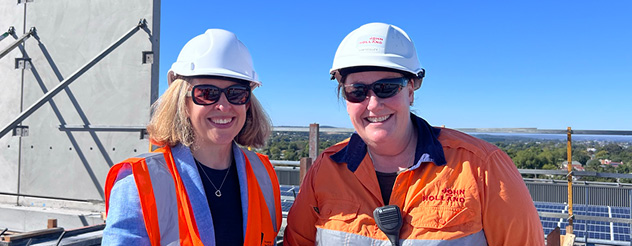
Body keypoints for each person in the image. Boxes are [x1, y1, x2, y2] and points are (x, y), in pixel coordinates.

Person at [283, 22, 544, 245]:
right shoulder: (325, 171)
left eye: (386, 87)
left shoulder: (482, 168)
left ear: (410, 90)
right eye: (357, 90)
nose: (373, 103)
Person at [102, 29, 282, 246]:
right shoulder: (141, 182)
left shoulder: (263, 173)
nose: (224, 106)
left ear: (247, 102)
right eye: (206, 93)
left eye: (236, 93)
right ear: (183, 103)